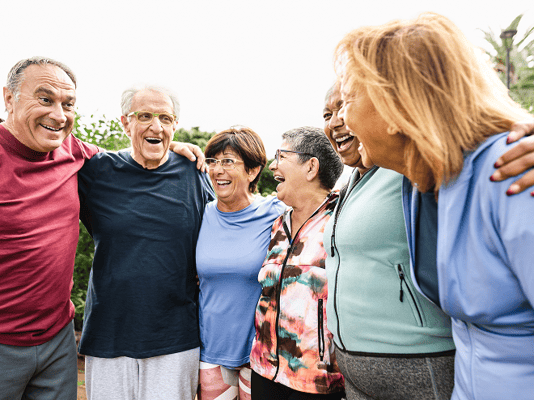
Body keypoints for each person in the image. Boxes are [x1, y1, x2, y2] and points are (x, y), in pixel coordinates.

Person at [334, 12, 534, 400]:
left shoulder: (513, 173)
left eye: (347, 100)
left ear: (394, 108)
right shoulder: (423, 183)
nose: (342, 119)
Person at [0, 57, 207, 400]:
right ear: (9, 98)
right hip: (18, 341)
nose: (58, 114)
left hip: (59, 340)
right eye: (45, 99)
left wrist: (176, 151)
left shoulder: (75, 154)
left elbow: (134, 163)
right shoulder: (88, 166)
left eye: (68, 104)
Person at [76, 84, 215, 400]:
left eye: (166, 118)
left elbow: (229, 223)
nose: (157, 126)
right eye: (145, 116)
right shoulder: (97, 171)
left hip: (175, 337)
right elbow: (50, 150)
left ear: (175, 125)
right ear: (125, 123)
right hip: (109, 332)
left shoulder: (194, 173)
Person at [250, 127, 345, 400]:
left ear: (311, 166)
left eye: (281, 156)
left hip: (316, 381)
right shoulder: (276, 224)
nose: (272, 165)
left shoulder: (341, 221)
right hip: (264, 369)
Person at [196, 126, 286, 400]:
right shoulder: (200, 213)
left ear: (253, 171)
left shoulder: (276, 214)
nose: (218, 170)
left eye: (228, 161)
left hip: (260, 354)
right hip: (211, 351)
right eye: (213, 162)